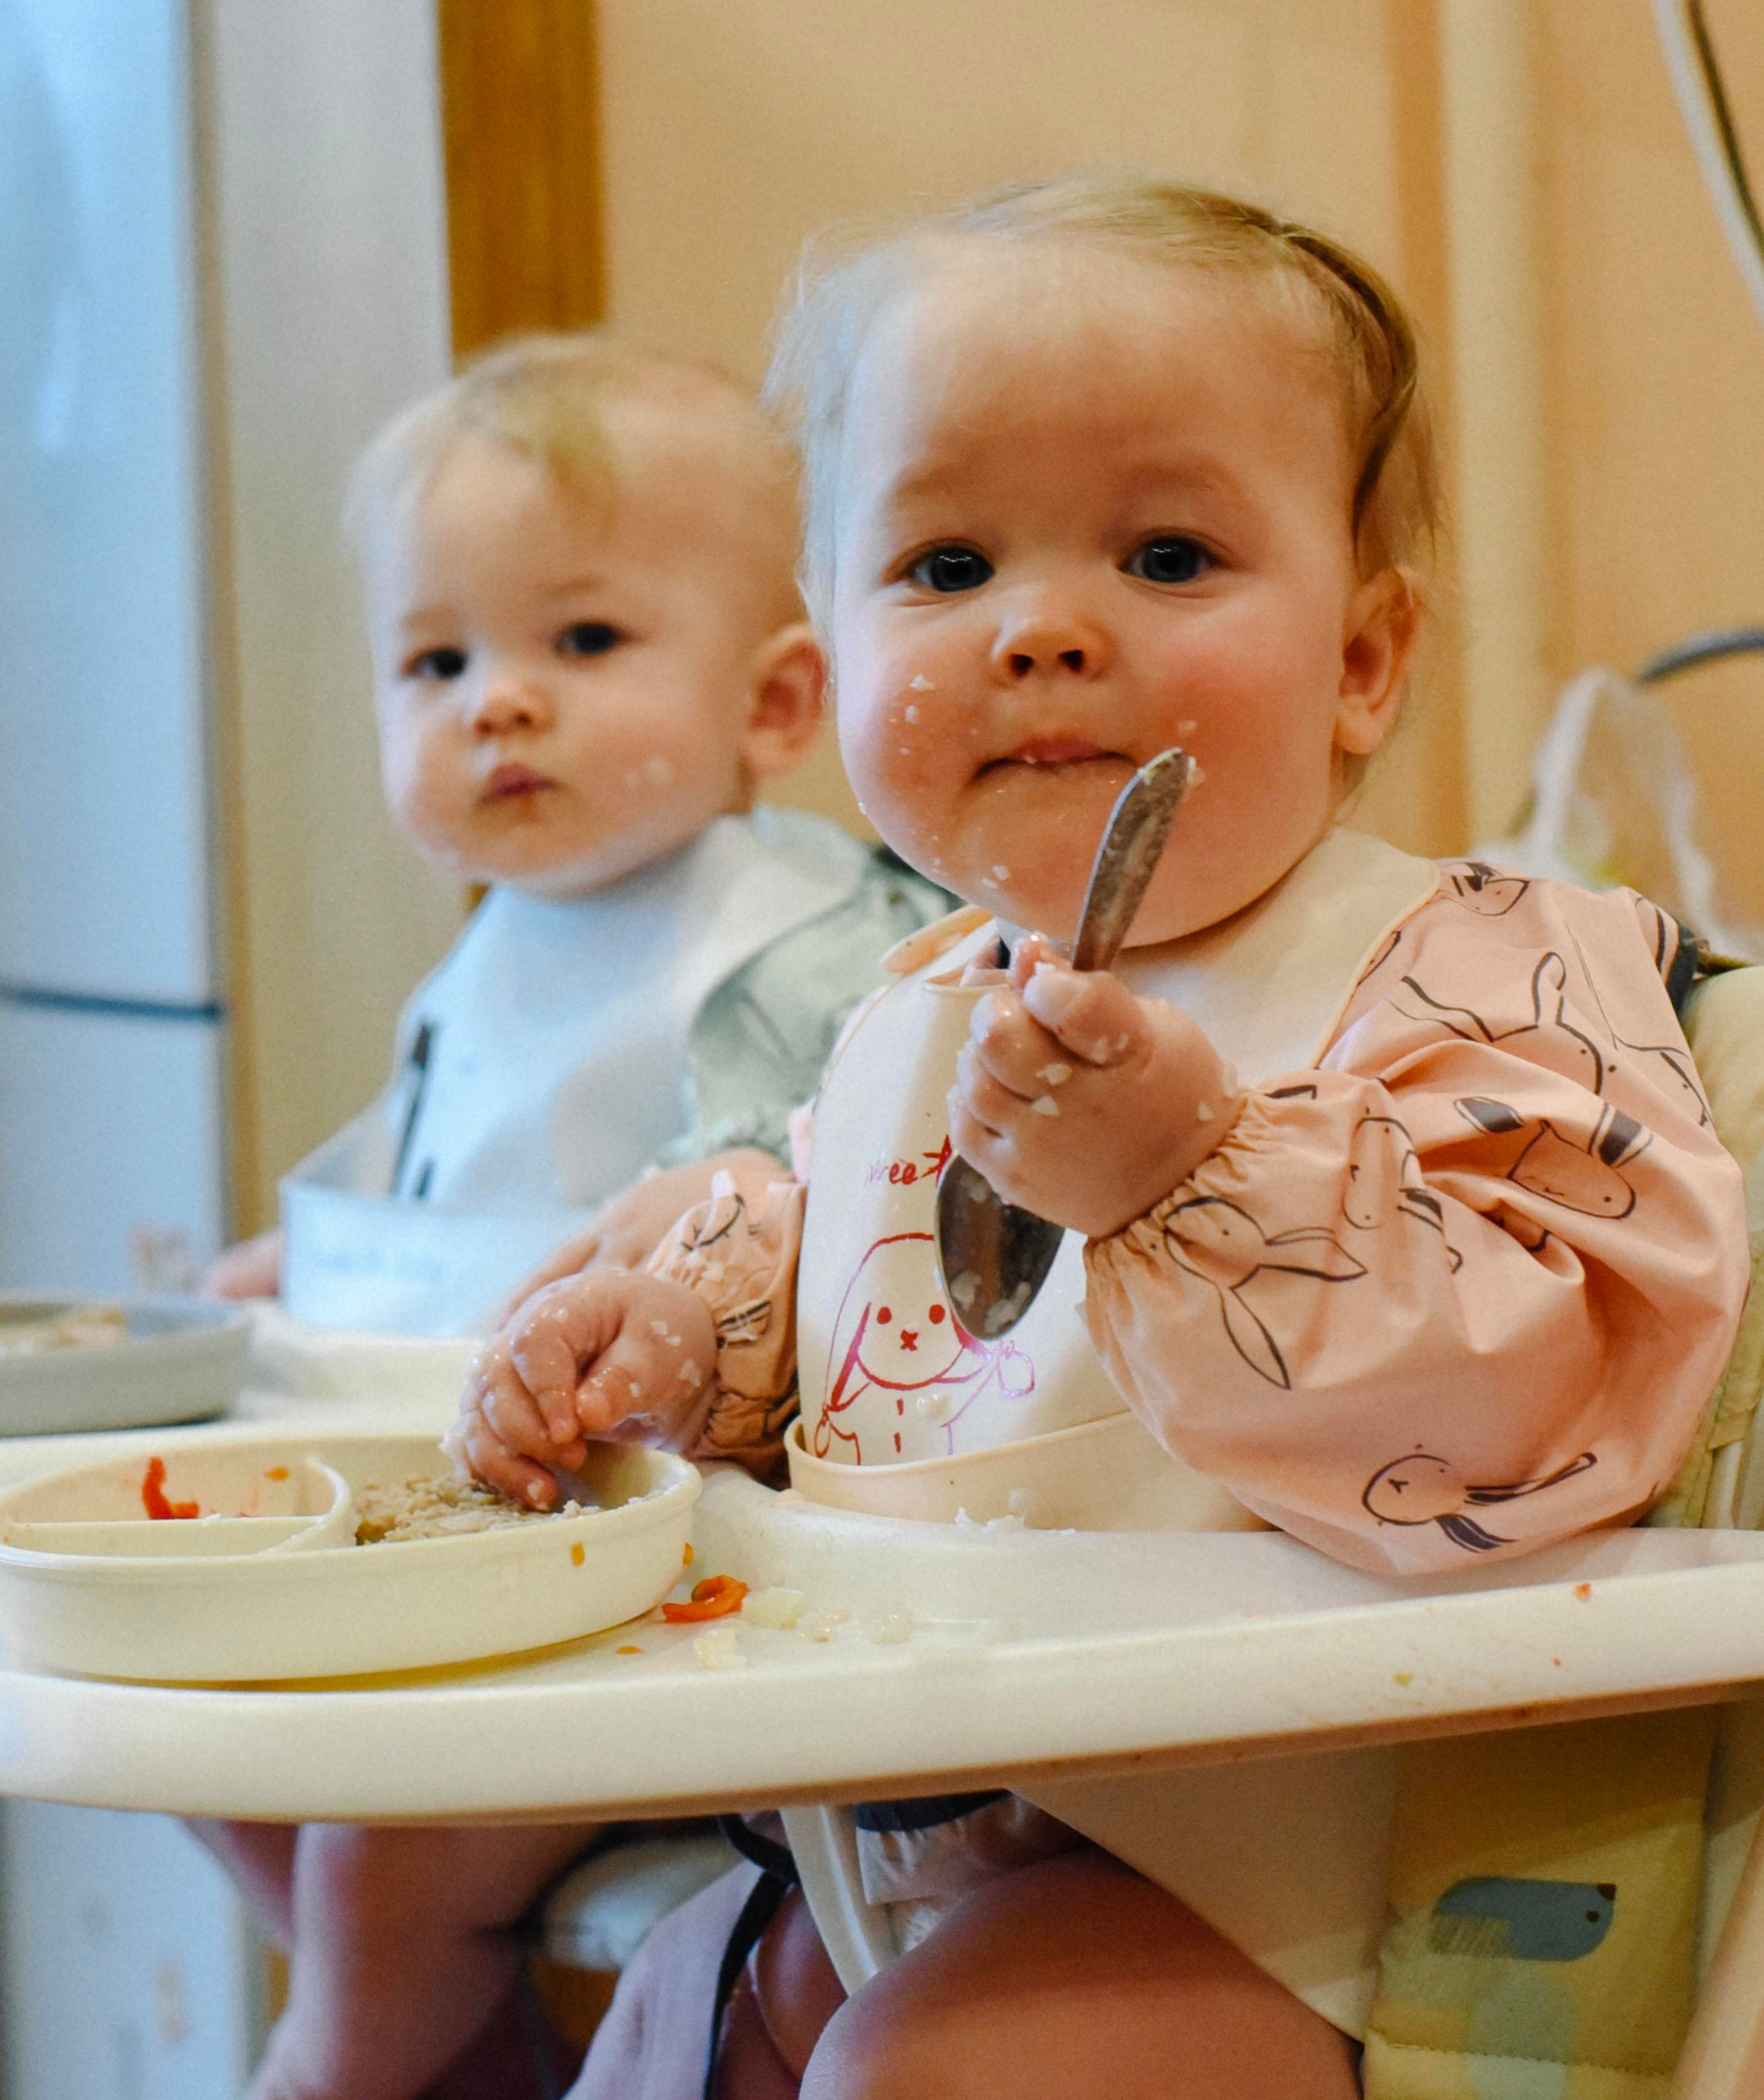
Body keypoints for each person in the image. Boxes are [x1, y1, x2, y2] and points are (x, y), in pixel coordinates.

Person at [454, 181, 1749, 2099]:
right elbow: (875, 1317)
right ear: (835, 647)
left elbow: (1549, 1397)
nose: (1046, 629)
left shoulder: (1476, 969)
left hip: (1343, 1879)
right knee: (677, 2024)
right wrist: (681, 1350)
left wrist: (1195, 1179)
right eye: (947, 567)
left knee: (932, 2071)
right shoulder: (917, 1009)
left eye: (1164, 553)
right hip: (931, 1829)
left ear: (1364, 661)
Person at [198, 332, 949, 2100]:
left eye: (582, 642)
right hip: (477, 1531)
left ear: (775, 704)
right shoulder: (495, 948)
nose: (496, 701)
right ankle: (433, 2049)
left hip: (673, 1567)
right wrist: (295, 1260)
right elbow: (435, 1141)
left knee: (379, 1844)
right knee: (216, 1742)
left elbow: (808, 1190)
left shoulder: (797, 936)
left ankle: (324, 2070)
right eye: (435, 659)